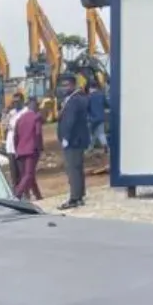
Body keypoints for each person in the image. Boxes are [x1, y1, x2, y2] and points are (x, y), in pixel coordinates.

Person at [57, 80, 91, 209]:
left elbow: (70, 121)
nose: (64, 88)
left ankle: (74, 198)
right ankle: (80, 195)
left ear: (73, 85)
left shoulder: (74, 101)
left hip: (73, 140)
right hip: (78, 139)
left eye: (66, 85)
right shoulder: (78, 98)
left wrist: (66, 137)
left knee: (73, 169)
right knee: (77, 168)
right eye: (63, 85)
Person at [10, 89, 43, 201]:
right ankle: (17, 195)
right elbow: (38, 134)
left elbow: (15, 136)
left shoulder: (20, 118)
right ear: (36, 106)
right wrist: (39, 148)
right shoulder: (36, 117)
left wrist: (17, 148)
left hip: (20, 150)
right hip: (31, 150)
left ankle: (38, 196)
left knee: (28, 174)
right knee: (28, 175)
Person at [87, 81, 109, 151]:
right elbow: (107, 104)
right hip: (101, 118)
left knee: (90, 133)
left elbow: (87, 108)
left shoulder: (89, 97)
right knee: (101, 133)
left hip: (92, 119)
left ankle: (90, 147)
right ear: (96, 87)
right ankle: (105, 145)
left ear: (90, 88)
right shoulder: (101, 95)